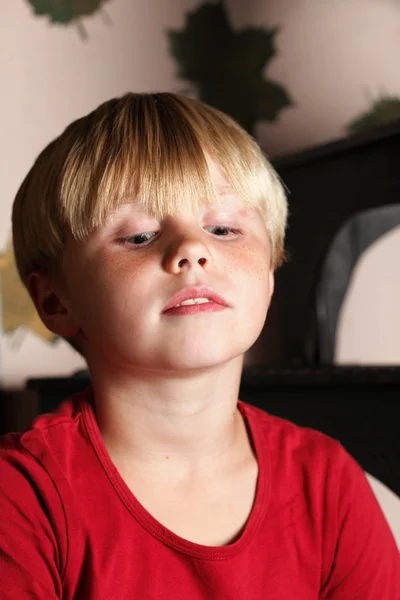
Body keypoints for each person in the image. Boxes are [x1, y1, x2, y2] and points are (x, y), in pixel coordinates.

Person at [1, 92, 399, 600]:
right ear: (56, 300)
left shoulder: (328, 483)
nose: (193, 249)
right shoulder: (22, 496)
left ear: (272, 276)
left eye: (223, 228)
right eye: (140, 236)